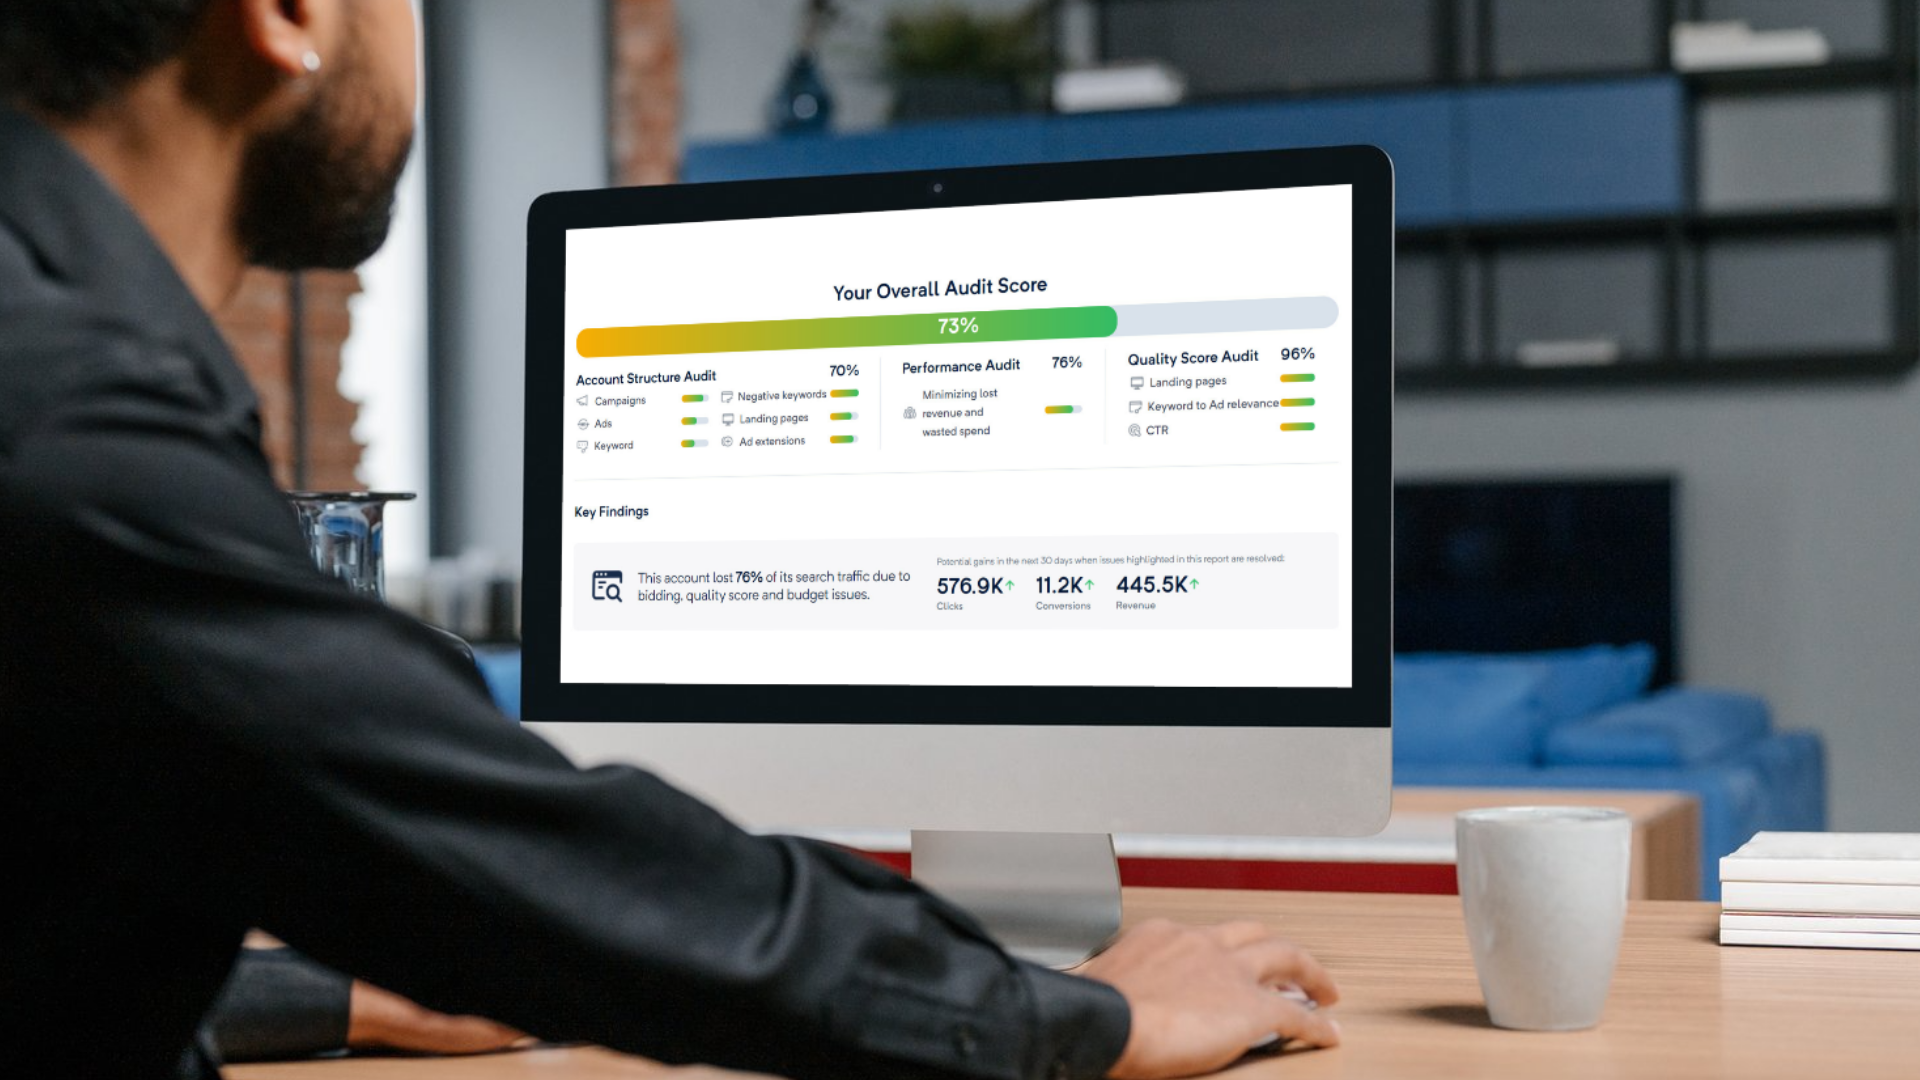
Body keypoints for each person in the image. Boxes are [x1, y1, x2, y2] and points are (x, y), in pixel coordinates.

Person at [0, 3, 1341, 1078]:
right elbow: (544, 870)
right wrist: (1079, 1021)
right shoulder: (69, 424)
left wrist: (344, 991)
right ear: (286, 15)